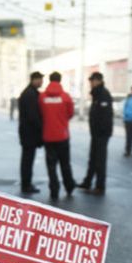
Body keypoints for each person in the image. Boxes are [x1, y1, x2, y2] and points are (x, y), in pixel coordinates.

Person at [38, 71, 76, 201]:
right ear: (60, 81)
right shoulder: (66, 97)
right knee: (65, 163)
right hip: (63, 136)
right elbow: (71, 113)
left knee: (51, 165)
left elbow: (41, 114)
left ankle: (54, 190)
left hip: (48, 136)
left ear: (49, 80)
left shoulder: (42, 97)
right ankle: (69, 186)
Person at [78, 71, 113, 195]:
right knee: (93, 158)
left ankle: (100, 186)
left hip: (101, 134)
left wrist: (100, 132)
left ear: (98, 81)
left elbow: (105, 116)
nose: (90, 83)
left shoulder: (103, 94)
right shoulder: (97, 94)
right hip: (96, 133)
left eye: (92, 81)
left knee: (100, 160)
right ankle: (87, 181)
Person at [17, 71, 44, 194]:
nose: (41, 82)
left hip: (27, 132)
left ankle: (26, 183)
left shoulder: (30, 92)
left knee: (27, 159)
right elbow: (33, 116)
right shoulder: (30, 94)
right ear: (34, 80)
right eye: (40, 79)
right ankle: (26, 185)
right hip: (29, 133)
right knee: (28, 159)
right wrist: (41, 128)